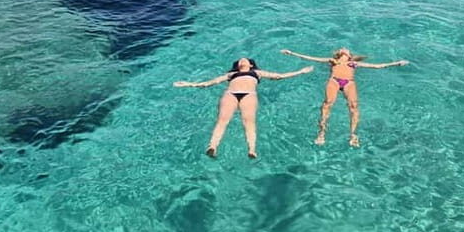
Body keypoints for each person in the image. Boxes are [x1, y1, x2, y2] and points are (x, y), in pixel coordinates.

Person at [174, 57, 313, 158]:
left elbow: (279, 76)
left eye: (244, 60)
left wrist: (301, 71)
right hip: (230, 94)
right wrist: (189, 84)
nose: (242, 61)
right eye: (240, 60)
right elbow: (209, 83)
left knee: (249, 123)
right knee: (222, 121)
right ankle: (212, 146)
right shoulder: (231, 74)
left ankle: (252, 149)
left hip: (249, 94)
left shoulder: (257, 73)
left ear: (251, 64)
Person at [280, 47, 408, 147]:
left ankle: (353, 135)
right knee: (327, 104)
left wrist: (397, 63)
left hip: (349, 83)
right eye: (343, 48)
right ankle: (321, 133)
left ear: (349, 55)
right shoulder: (332, 61)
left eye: (346, 49)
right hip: (334, 81)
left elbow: (377, 66)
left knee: (354, 107)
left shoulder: (353, 64)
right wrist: (291, 53)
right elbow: (312, 58)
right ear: (340, 54)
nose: (344, 48)